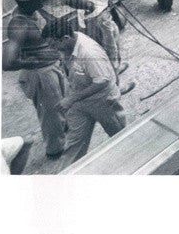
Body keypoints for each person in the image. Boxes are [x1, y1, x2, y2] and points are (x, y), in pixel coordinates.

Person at [2, 0, 69, 159]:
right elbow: (7, 62)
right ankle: (55, 149)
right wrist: (34, 63)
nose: (44, 0)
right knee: (50, 113)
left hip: (52, 66)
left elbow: (51, 23)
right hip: (40, 74)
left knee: (62, 101)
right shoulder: (19, 24)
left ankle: (63, 126)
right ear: (29, 2)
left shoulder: (35, 10)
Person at [46, 18, 128, 164]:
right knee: (74, 146)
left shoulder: (89, 53)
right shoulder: (69, 43)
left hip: (103, 102)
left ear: (65, 38)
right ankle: (67, 179)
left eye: (54, 44)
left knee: (121, 138)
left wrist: (71, 99)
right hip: (79, 102)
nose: (52, 49)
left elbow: (102, 81)